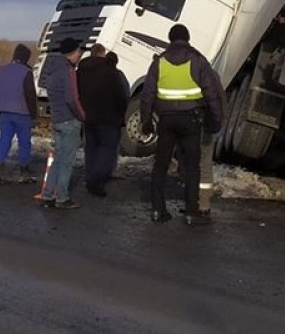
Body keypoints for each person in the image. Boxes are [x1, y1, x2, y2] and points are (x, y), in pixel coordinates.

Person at [140, 24, 224, 225]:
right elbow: (211, 93)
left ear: (170, 39)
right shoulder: (197, 60)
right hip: (191, 120)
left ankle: (158, 211)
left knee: (161, 165)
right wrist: (215, 119)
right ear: (188, 38)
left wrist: (146, 121)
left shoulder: (159, 62)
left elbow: (147, 94)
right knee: (193, 166)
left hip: (166, 120)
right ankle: (191, 213)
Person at [37, 37, 85, 209]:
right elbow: (72, 98)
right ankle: (62, 197)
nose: (80, 56)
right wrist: (82, 115)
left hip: (57, 118)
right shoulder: (68, 71)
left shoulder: (51, 69)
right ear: (73, 53)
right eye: (79, 52)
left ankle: (47, 194)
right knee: (67, 161)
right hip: (69, 120)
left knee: (57, 159)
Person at [77, 44, 128, 197]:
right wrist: (121, 113)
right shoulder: (111, 72)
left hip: (87, 116)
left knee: (91, 147)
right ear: (102, 54)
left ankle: (90, 175)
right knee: (107, 149)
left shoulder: (81, 71)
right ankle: (96, 180)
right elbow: (122, 94)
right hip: (109, 117)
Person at [0, 44, 40, 184]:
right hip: (22, 112)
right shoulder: (26, 72)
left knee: (4, 141)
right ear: (26, 57)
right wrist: (34, 115)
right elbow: (30, 95)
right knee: (24, 142)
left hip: (4, 112)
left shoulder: (1, 70)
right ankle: (24, 171)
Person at [105, 51, 130, 180]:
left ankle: (95, 169)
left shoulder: (98, 75)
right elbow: (126, 93)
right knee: (113, 145)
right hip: (114, 116)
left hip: (97, 115)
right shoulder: (119, 75)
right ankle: (110, 170)